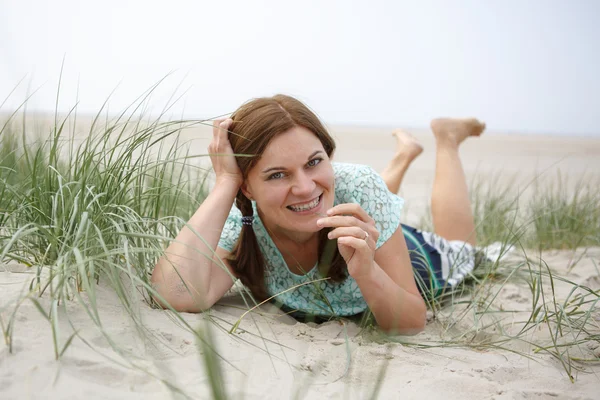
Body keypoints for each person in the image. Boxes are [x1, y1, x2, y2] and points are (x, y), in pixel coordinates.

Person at [151, 94, 485, 334]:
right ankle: (404, 155)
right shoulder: (243, 220)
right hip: (360, 214)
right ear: (247, 187)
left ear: (328, 156)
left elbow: (412, 321)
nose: (305, 187)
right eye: (277, 174)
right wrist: (226, 181)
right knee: (343, 194)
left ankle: (447, 140)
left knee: (463, 248)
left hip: (401, 256)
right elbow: (175, 294)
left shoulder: (358, 185)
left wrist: (367, 271)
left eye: (314, 162)